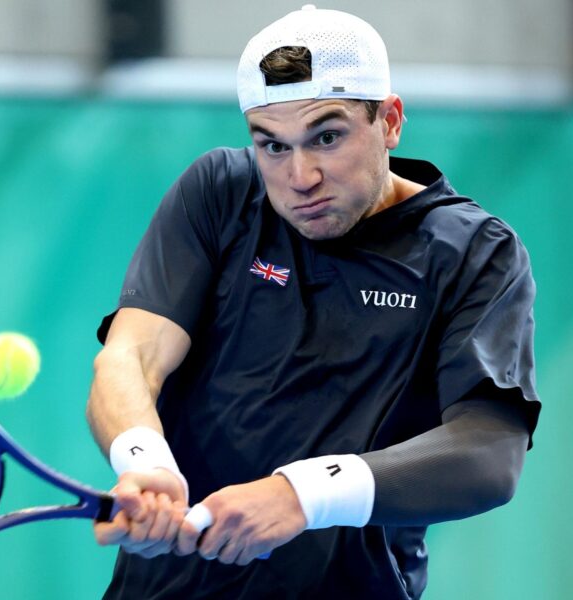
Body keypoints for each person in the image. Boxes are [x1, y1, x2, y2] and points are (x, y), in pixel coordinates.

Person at [86, 5, 541, 599]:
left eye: (327, 137)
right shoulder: (219, 193)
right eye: (272, 146)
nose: (300, 176)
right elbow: (130, 358)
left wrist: (301, 495)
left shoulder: (474, 252)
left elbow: (489, 450)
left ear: (390, 121)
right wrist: (145, 464)